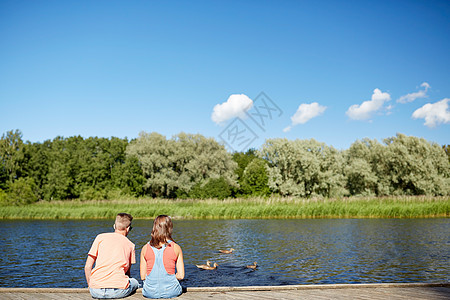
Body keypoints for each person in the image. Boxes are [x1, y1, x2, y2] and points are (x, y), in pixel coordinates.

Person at [84, 213, 139, 299]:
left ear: (114, 226)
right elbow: (127, 273)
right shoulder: (130, 245)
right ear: (128, 229)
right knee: (135, 282)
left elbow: (87, 267)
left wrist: (90, 286)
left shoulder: (100, 238)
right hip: (118, 291)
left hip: (95, 290)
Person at [140, 215, 184, 298]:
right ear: (170, 228)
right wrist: (169, 277)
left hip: (149, 293)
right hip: (172, 292)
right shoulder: (176, 247)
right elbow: (181, 276)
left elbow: (143, 276)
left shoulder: (145, 248)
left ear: (155, 227)